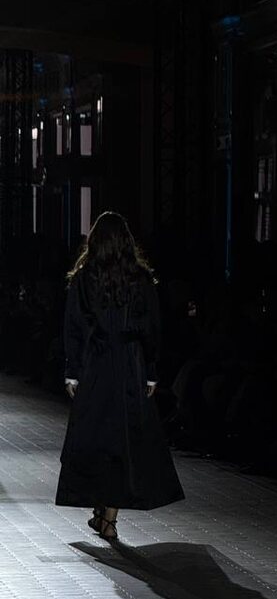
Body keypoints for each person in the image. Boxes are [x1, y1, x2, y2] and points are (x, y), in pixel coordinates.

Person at [55, 211, 184, 539]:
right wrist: (150, 371)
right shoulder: (139, 278)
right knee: (123, 442)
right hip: (131, 364)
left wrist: (72, 371)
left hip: (97, 364)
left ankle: (104, 514)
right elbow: (152, 327)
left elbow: (74, 325)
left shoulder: (85, 277)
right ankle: (108, 518)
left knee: (98, 438)